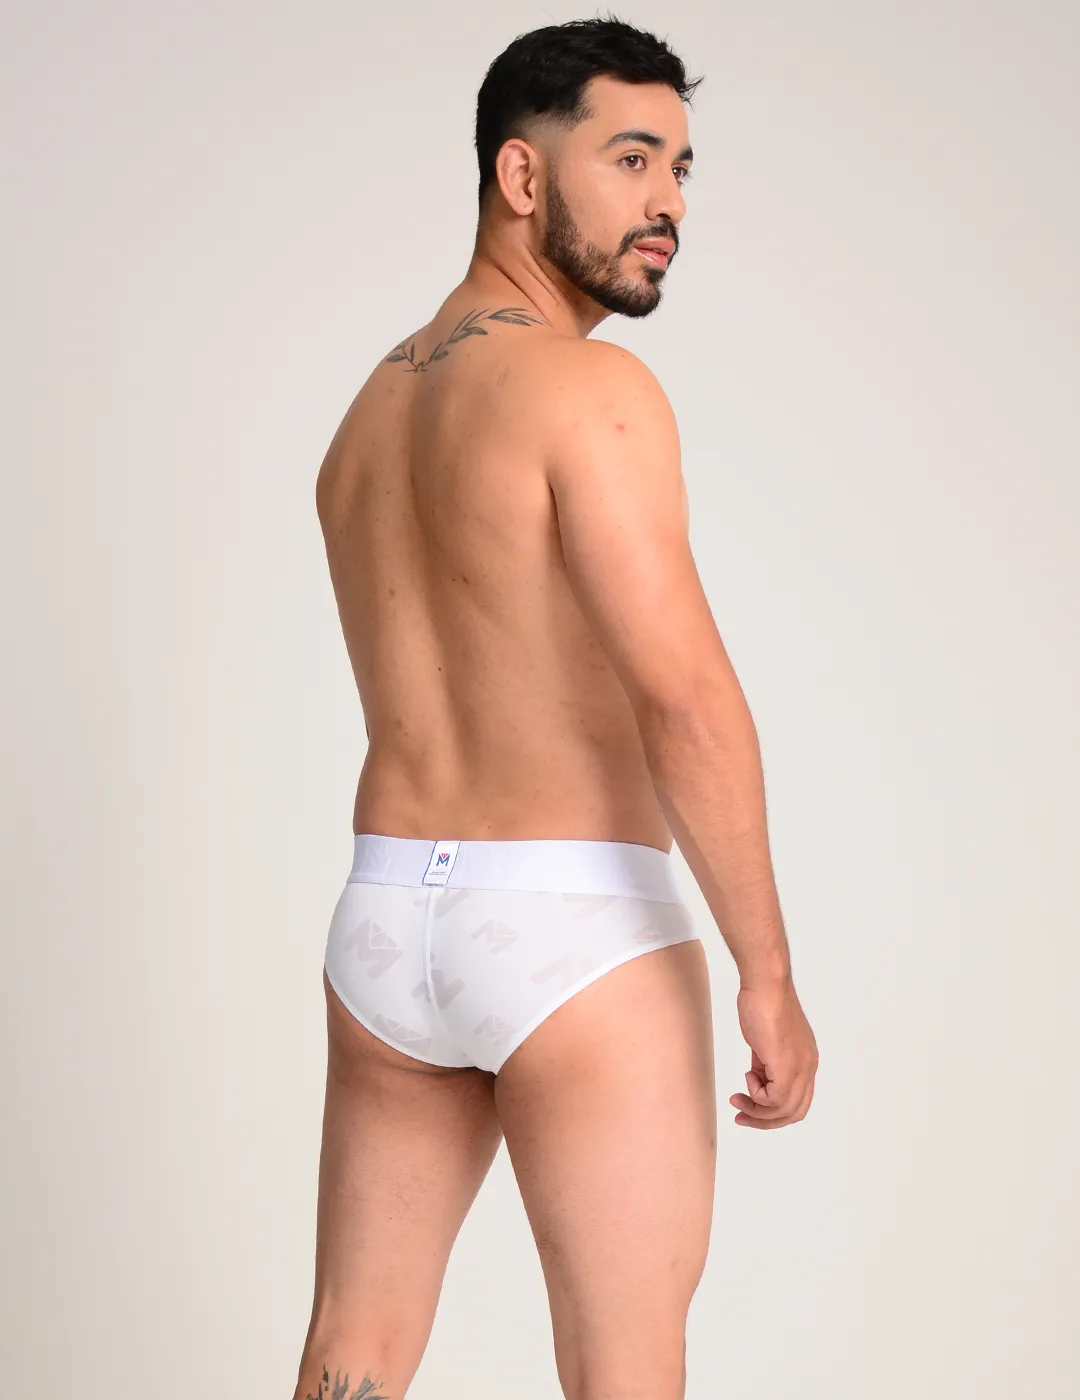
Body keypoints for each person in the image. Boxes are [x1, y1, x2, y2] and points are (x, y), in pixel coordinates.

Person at [294, 16, 818, 1400]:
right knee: (624, 1373)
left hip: (385, 926)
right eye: (631, 159)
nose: (669, 204)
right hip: (572, 928)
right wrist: (768, 973)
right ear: (521, 176)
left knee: (350, 1353)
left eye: (682, 168)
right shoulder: (594, 391)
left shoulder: (364, 422)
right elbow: (683, 695)